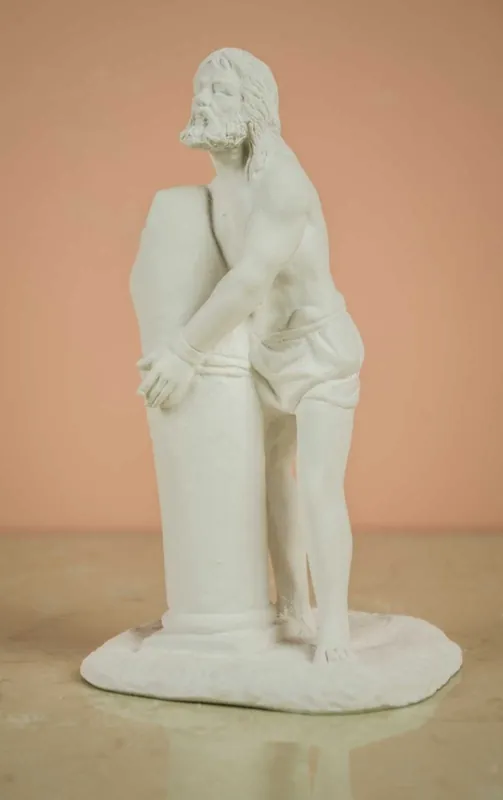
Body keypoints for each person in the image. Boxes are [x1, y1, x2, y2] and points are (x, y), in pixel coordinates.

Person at [137, 48, 365, 663]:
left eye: (223, 92)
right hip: (263, 354)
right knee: (273, 483)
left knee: (318, 487)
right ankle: (292, 607)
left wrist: (184, 352)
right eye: (200, 89)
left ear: (255, 108)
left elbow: (249, 280)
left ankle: (334, 624)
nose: (204, 101)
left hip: (318, 352)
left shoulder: (280, 182)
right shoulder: (218, 189)